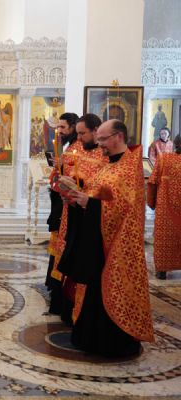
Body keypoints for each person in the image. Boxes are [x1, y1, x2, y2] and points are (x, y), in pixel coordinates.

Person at [58, 119, 154, 357]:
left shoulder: (129, 167)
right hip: (97, 242)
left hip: (117, 247)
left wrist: (88, 203)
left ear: (118, 136)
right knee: (92, 289)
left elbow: (123, 208)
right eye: (98, 139)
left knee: (108, 291)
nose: (99, 144)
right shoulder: (109, 164)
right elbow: (95, 194)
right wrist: (75, 198)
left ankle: (111, 344)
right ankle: (89, 337)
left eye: (102, 139)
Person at [50, 114, 109, 323]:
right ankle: (66, 307)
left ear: (96, 130)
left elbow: (106, 188)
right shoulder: (73, 150)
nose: (79, 137)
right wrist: (62, 185)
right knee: (69, 257)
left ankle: (82, 312)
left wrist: (82, 187)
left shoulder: (106, 155)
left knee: (85, 263)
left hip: (92, 218)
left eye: (83, 133)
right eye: (78, 133)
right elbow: (56, 178)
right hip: (71, 215)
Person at [44, 112, 79, 318]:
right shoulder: (69, 147)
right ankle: (54, 285)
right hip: (62, 207)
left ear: (73, 127)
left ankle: (60, 290)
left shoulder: (77, 150)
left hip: (70, 208)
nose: (59, 131)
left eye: (63, 127)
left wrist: (59, 178)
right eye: (58, 127)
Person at [147, 134, 181, 280]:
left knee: (165, 240)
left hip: (166, 211)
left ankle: (162, 270)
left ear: (175, 144)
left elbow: (152, 183)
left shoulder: (164, 159)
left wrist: (152, 203)